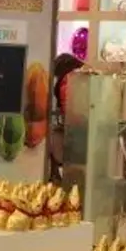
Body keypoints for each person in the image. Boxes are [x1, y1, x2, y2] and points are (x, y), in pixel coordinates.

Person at [47, 54, 85, 182]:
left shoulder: (65, 82)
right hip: (82, 130)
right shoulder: (77, 80)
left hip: (73, 130)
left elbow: (68, 108)